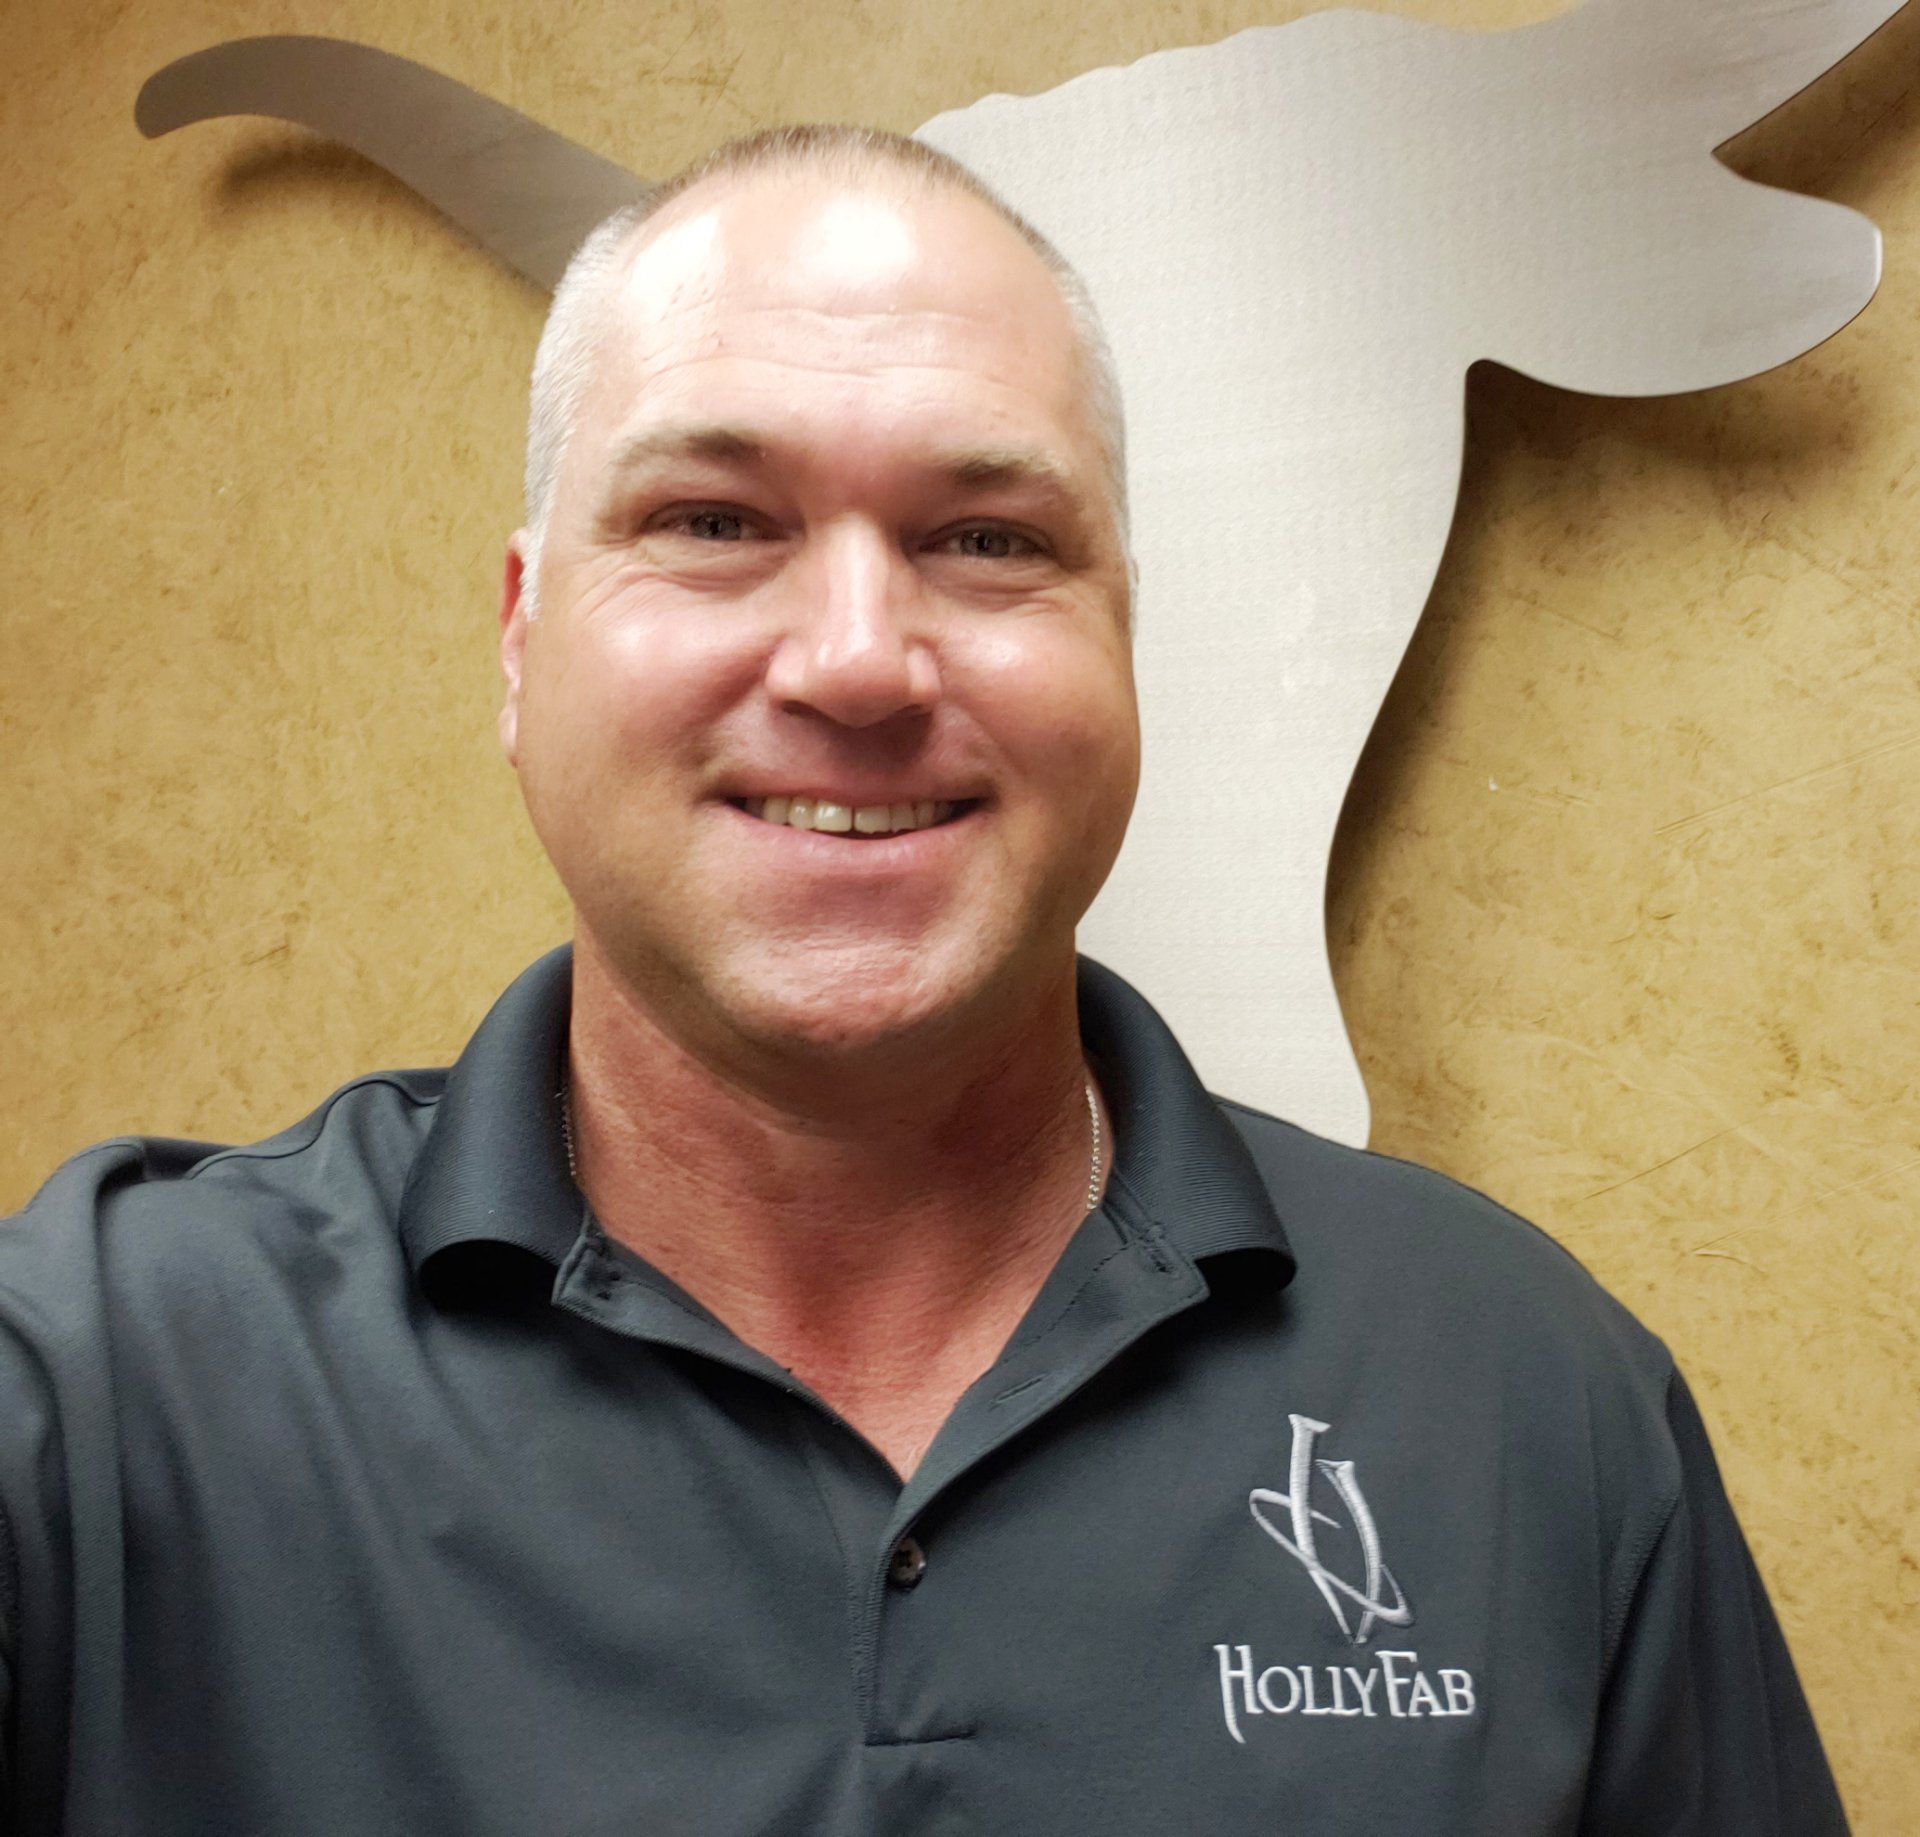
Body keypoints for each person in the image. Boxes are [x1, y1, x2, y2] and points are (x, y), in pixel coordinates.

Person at [1, 126, 1846, 1836]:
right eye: (717, 520)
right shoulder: (99, 1393)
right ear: (520, 637)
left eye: (989, 541)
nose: (861, 660)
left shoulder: (1529, 1403)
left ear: (1125, 639)